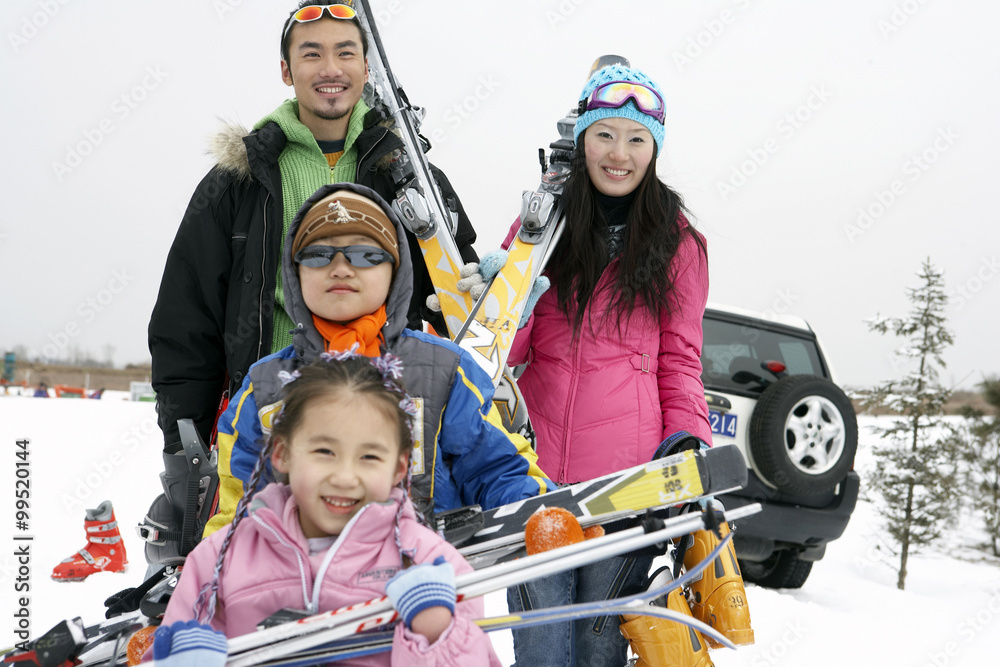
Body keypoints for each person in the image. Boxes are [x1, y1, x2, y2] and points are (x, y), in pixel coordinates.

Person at [145, 1, 478, 559]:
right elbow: (186, 320)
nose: (331, 68)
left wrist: (474, 286)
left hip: (383, 431)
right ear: (286, 69)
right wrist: (185, 447)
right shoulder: (237, 182)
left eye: (346, 52)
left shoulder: (412, 176)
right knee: (270, 596)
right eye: (312, 53)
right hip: (270, 423)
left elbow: (452, 306)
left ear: (367, 68)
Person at [489, 61, 749, 665]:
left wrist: (688, 440)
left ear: (654, 150)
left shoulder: (679, 245)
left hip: (626, 487)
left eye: (637, 139)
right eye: (605, 134)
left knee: (598, 644)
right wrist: (513, 294)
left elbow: (680, 362)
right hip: (537, 479)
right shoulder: (541, 223)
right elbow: (504, 349)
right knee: (543, 643)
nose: (619, 154)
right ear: (582, 139)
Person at [203, 182, 549, 538]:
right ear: (295, 273)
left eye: (365, 255)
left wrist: (542, 514)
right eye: (318, 255)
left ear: (394, 271)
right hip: (304, 587)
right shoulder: (262, 391)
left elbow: (496, 468)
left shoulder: (446, 372)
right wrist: (211, 575)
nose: (340, 269)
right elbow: (238, 510)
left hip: (424, 582)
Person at [154, 353, 502, 666]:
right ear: (282, 454)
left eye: (369, 457)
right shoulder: (221, 560)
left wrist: (438, 635)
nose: (345, 477)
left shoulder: (431, 564)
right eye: (324, 452)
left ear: (399, 468)